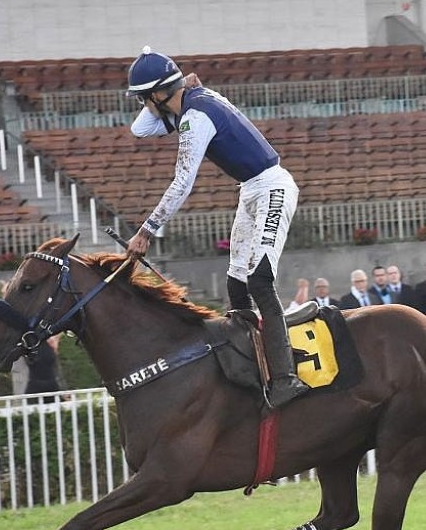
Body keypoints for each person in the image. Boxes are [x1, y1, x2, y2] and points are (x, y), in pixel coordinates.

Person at [124, 46, 308, 409]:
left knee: (259, 281)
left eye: (146, 98)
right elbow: (139, 130)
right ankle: (248, 365)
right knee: (235, 282)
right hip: (251, 189)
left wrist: (146, 230)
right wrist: (164, 94)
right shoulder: (192, 99)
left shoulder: (195, 117)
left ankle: (287, 378)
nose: (145, 106)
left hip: (272, 187)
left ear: (158, 94)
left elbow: (182, 183)